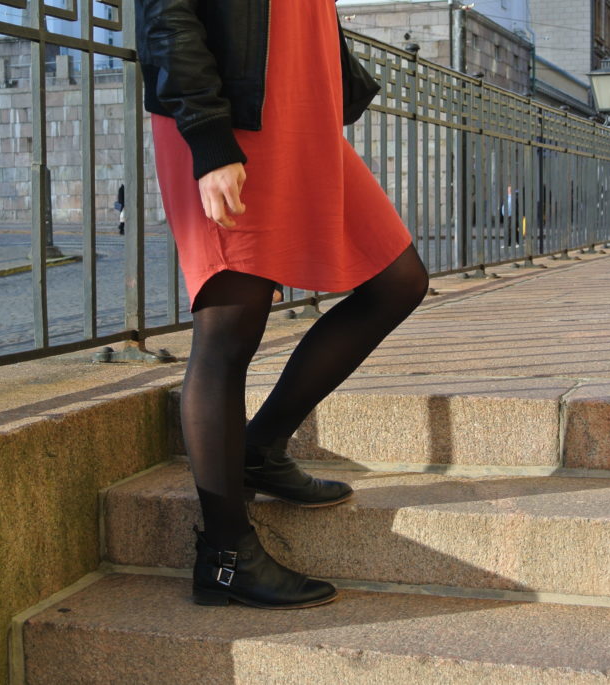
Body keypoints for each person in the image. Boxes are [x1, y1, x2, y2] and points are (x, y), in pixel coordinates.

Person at [137, 0, 428, 609]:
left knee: (397, 281)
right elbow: (168, 15)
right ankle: (224, 557)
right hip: (231, 122)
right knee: (227, 336)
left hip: (300, 117)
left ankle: (259, 449)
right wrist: (210, 140)